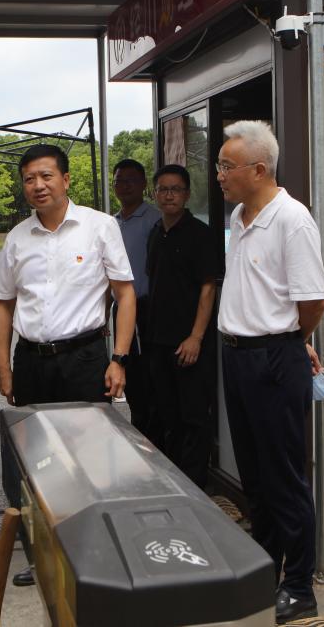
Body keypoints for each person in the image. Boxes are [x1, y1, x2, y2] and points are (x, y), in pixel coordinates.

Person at [0, 143, 135, 587]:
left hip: (85, 358)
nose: (38, 185)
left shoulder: (99, 226)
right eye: (29, 179)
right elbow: (3, 304)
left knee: (90, 458)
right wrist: (5, 368)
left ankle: (92, 553)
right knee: (36, 462)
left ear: (66, 179)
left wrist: (119, 358)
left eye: (46, 176)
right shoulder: (17, 238)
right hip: (32, 361)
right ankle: (43, 558)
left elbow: (125, 293)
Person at [216, 121, 324, 623]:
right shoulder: (240, 216)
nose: (219, 175)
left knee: (284, 477)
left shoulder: (291, 219)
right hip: (238, 356)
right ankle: (266, 570)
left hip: (275, 357)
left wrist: (294, 342)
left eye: (227, 166)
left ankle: (299, 585)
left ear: (259, 169)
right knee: (255, 477)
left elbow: (313, 301)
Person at [144, 164, 217, 488]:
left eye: (176, 189)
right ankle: (173, 484)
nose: (169, 195)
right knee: (166, 414)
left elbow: (208, 287)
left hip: (190, 343)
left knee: (194, 418)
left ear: (187, 194)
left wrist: (196, 337)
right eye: (163, 189)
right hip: (158, 341)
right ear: (154, 193)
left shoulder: (200, 234)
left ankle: (196, 488)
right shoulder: (155, 233)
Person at [112, 158, 162, 435]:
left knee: (150, 381)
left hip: (148, 310)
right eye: (119, 181)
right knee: (128, 375)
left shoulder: (155, 220)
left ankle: (151, 439)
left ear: (143, 184)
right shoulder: (111, 224)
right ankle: (139, 431)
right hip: (120, 310)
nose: (125, 186)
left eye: (131, 180)